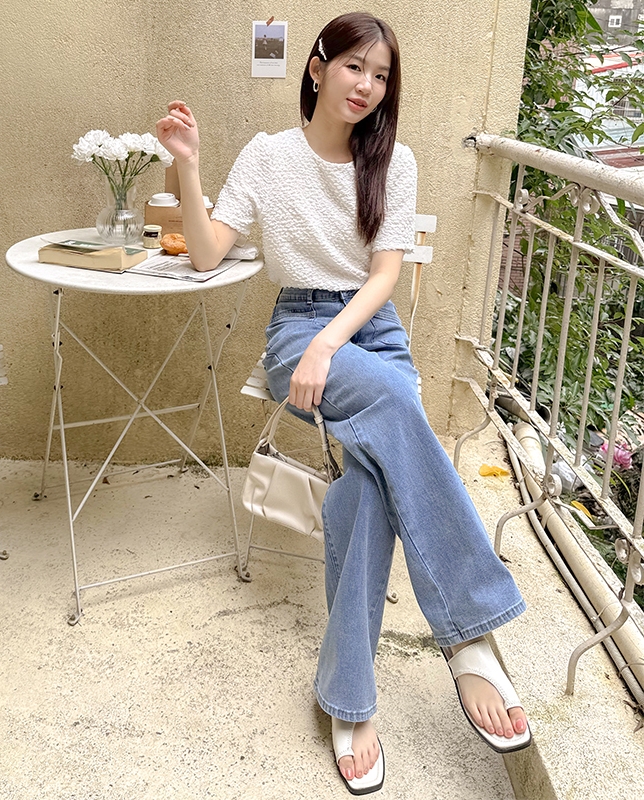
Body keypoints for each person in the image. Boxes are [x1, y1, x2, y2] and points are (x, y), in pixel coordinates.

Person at [157, 12, 531, 795]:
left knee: (366, 481)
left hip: (369, 332)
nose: (366, 86)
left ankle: (348, 697)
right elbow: (205, 254)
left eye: (381, 75)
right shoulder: (268, 156)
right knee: (397, 405)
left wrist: (335, 345)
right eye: (355, 66)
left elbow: (385, 275)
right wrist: (186, 165)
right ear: (318, 66)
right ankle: (468, 636)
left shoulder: (395, 162)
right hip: (296, 328)